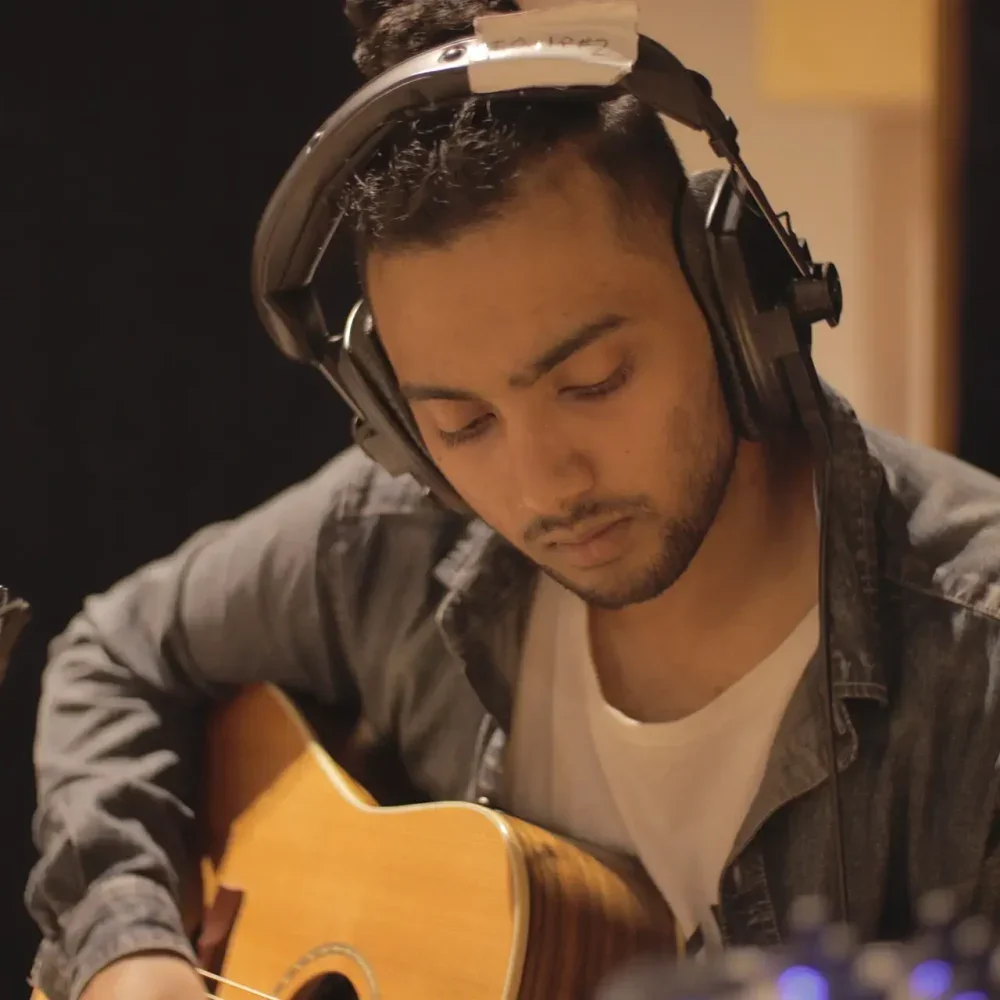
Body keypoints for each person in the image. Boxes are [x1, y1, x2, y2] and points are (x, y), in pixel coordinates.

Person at [25, 2, 1000, 999]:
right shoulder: (397, 535)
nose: (544, 487)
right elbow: (115, 651)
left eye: (594, 382)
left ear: (739, 310)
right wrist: (127, 949)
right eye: (461, 424)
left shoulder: (976, 664)